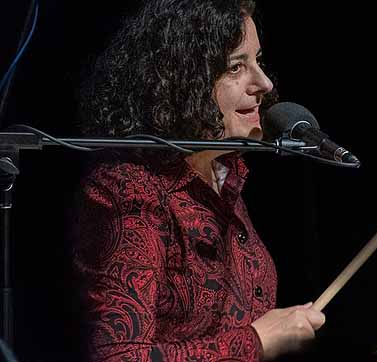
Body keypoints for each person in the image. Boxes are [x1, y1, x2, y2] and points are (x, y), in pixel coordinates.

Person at [72, 0, 326, 361]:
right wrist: (255, 342)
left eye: (258, 61)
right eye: (237, 67)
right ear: (179, 81)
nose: (265, 83)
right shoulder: (128, 191)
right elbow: (120, 357)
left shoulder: (223, 177)